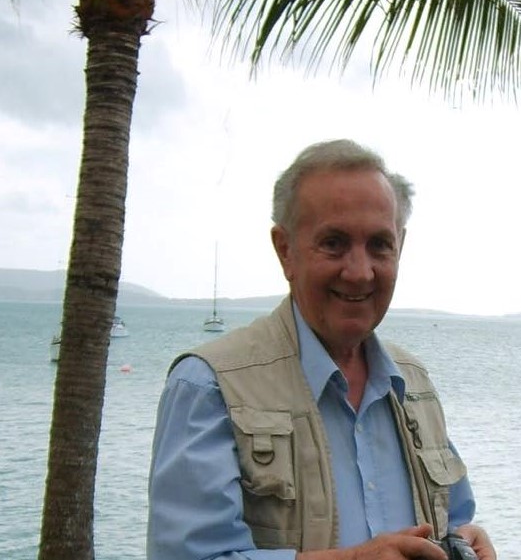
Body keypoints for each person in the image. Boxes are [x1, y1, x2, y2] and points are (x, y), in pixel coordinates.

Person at [147, 139, 496, 560]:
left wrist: (464, 541)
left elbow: (453, 517)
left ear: (399, 248)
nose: (360, 272)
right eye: (334, 243)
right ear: (285, 251)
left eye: (379, 245)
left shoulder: (413, 383)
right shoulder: (209, 386)